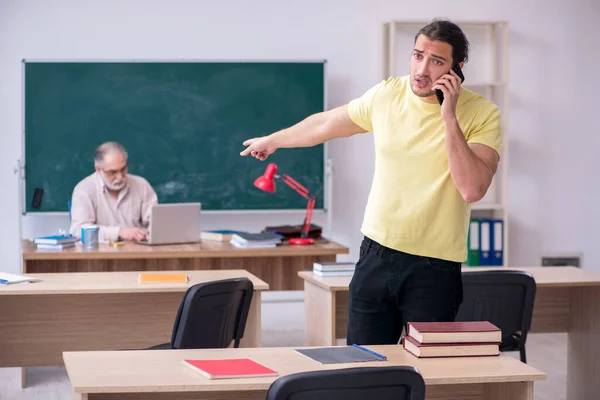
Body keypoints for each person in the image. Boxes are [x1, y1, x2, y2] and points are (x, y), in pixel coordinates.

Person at [240, 18, 502, 345]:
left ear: (457, 68)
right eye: (417, 55)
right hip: (376, 255)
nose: (422, 69)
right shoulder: (387, 94)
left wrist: (448, 116)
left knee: (430, 374)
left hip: (435, 268)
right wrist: (274, 139)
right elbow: (325, 125)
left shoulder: (482, 113)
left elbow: (472, 188)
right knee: (361, 366)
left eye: (436, 61)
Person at [69, 141, 158, 243]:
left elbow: (155, 221)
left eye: (123, 169)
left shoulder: (141, 185)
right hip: (99, 255)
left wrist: (154, 229)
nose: (120, 177)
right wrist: (119, 232)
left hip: (137, 252)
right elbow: (79, 230)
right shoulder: (84, 190)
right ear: (98, 169)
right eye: (112, 172)